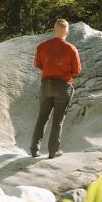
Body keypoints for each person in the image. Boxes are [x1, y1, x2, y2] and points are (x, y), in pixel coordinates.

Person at [31, 19, 82, 158]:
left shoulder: (42, 46)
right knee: (58, 120)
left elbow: (38, 65)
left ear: (53, 30)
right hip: (63, 86)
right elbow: (77, 71)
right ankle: (53, 151)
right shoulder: (71, 48)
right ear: (67, 32)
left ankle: (34, 149)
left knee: (42, 117)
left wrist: (49, 68)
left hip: (46, 84)